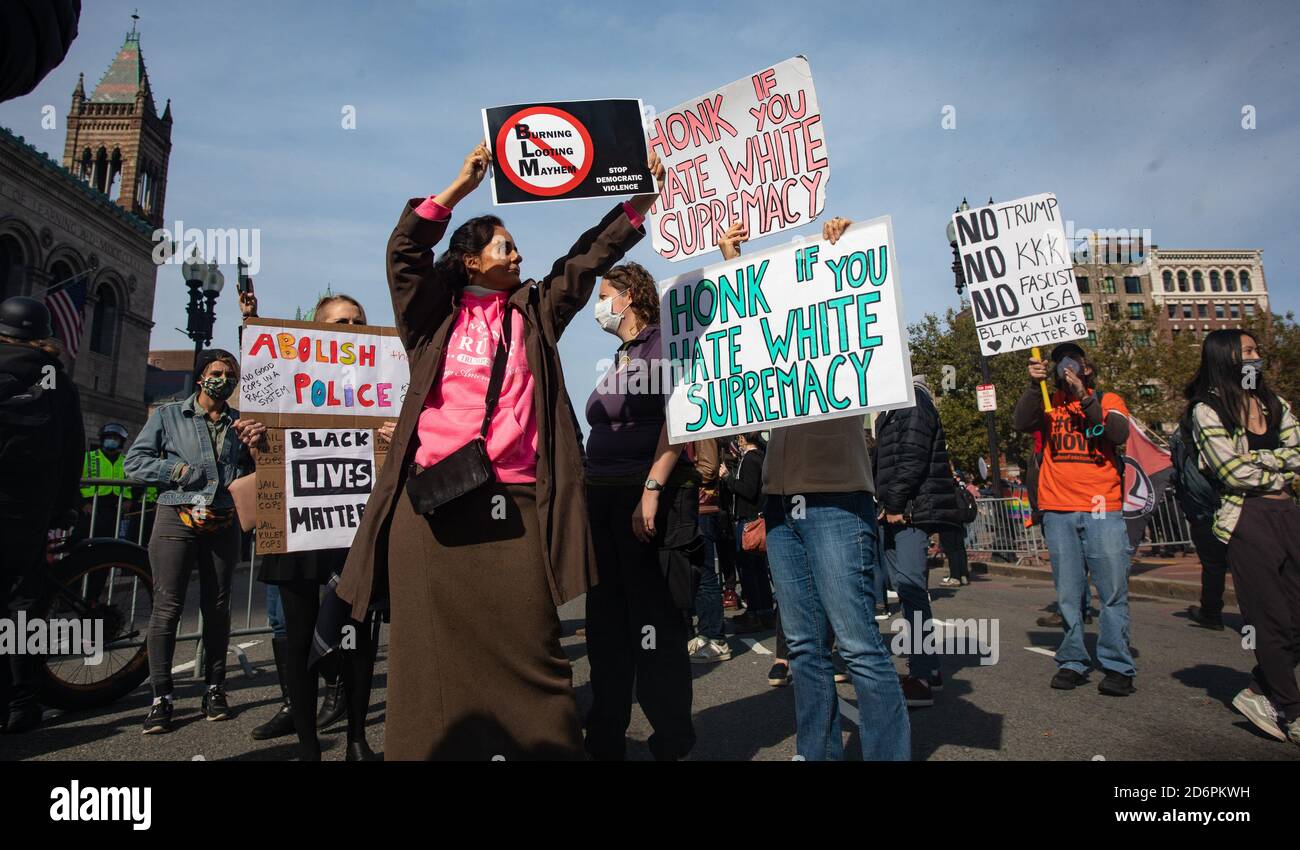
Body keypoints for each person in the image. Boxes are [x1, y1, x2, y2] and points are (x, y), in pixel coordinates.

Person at [331, 142, 661, 760]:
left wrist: (639, 204)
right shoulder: (432, 314)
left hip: (515, 506)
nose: (520, 254)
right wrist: (457, 187)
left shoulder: (534, 309)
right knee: (427, 663)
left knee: (537, 652)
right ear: (472, 259)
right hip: (430, 511)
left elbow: (589, 257)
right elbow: (403, 254)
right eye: (506, 246)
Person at [761, 216, 910, 761]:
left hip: (836, 499)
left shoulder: (841, 336)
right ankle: (816, 752)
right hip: (781, 505)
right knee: (803, 647)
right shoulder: (770, 352)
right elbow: (736, 332)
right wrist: (733, 261)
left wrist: (841, 251)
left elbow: (868, 314)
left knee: (857, 645)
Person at [240, 289, 391, 760]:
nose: (350, 330)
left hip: (357, 530)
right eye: (339, 323)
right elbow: (259, 424)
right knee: (300, 637)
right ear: (316, 330)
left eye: (358, 322)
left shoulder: (387, 382)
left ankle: (356, 739)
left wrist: (396, 435)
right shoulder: (284, 382)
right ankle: (308, 744)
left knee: (359, 638)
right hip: (298, 526)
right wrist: (255, 436)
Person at [583, 258, 703, 760]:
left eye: (604, 294)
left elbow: (679, 414)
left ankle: (672, 742)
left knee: (654, 627)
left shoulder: (661, 344)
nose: (599, 306)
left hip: (643, 496)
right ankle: (605, 739)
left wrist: (651, 488)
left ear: (628, 296)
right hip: (603, 499)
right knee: (607, 626)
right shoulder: (622, 355)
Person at [124, 348, 264, 733]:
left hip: (223, 519)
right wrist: (178, 470)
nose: (224, 378)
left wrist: (255, 446)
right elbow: (134, 463)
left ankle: (215, 687)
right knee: (167, 607)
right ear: (201, 376)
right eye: (217, 371)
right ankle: (161, 696)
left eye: (230, 373)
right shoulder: (170, 416)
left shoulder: (242, 423)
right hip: (177, 515)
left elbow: (259, 469)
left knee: (218, 607)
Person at [1185, 330, 1300, 745]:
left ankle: (1258, 688)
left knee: (1295, 617)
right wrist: (1280, 465)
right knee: (1271, 619)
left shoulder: (1274, 402)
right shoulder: (1207, 410)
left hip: (1288, 511)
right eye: (1249, 351)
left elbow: (1297, 450)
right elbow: (1231, 472)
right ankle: (1292, 710)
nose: (1257, 357)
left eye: (1256, 351)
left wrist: (1262, 461)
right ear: (1228, 357)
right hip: (1246, 518)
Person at [1013, 342, 1135, 696]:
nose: (1064, 367)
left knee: (1112, 591)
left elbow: (1116, 433)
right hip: (1058, 508)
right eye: (1058, 362)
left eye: (1072, 361)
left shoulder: (1109, 400)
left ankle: (1117, 665)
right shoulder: (1048, 403)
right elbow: (1021, 422)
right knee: (1068, 593)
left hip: (1102, 506)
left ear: (1087, 368)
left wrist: (1084, 397)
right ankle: (1072, 660)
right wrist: (1031, 386)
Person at [0, 297, 84, 733]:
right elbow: (74, 449)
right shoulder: (57, 380)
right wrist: (67, 506)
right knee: (22, 605)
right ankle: (22, 700)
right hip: (30, 510)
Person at [874, 375, 964, 707]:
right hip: (897, 510)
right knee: (906, 587)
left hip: (909, 511)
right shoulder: (891, 403)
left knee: (911, 590)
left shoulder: (910, 398)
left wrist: (895, 504)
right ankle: (930, 668)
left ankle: (922, 675)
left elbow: (912, 456)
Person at [725, 432, 776, 636]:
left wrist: (727, 478)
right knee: (758, 568)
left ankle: (756, 612)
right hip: (754, 516)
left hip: (748, 518)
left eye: (739, 438)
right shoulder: (760, 457)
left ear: (744, 439)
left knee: (748, 567)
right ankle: (763, 611)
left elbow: (748, 490)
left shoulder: (750, 460)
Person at [689, 437, 731, 662]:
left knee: (704, 576)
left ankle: (716, 638)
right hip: (692, 507)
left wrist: (675, 476)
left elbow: (708, 469)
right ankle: (705, 633)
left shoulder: (697, 424)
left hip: (702, 508)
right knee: (694, 574)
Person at [78, 423, 134, 540]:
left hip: (115, 510)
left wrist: (130, 500)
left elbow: (136, 484)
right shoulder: (88, 457)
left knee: (108, 543)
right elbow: (73, 484)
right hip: (90, 508)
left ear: (121, 442)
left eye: (115, 438)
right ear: (103, 439)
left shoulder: (127, 462)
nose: (112, 441)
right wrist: (82, 504)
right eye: (109, 437)